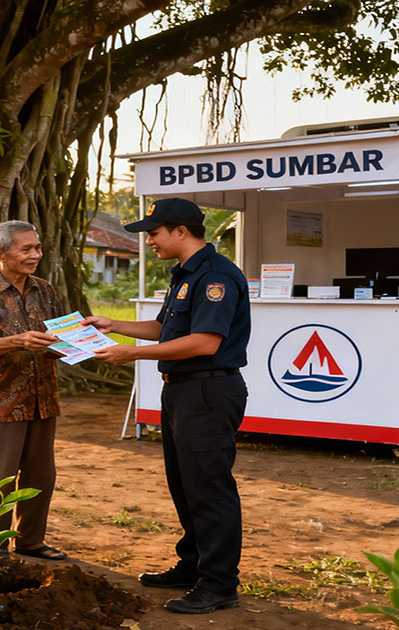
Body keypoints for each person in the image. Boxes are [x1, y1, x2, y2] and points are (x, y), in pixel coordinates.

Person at [81, 197, 250, 615]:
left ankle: (219, 583)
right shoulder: (186, 274)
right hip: (182, 391)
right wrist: (113, 325)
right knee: (185, 484)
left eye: (154, 233)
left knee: (209, 488)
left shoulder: (216, 277)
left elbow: (204, 342)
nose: (149, 241)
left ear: (181, 231)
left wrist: (130, 355)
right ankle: (193, 565)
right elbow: (164, 327)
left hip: (208, 392)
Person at [0, 220, 67, 561]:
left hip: (42, 398)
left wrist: (75, 344)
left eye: (37, 247)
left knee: (41, 476)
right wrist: (16, 341)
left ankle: (30, 540)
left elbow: (61, 338)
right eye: (27, 249)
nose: (36, 255)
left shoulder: (46, 291)